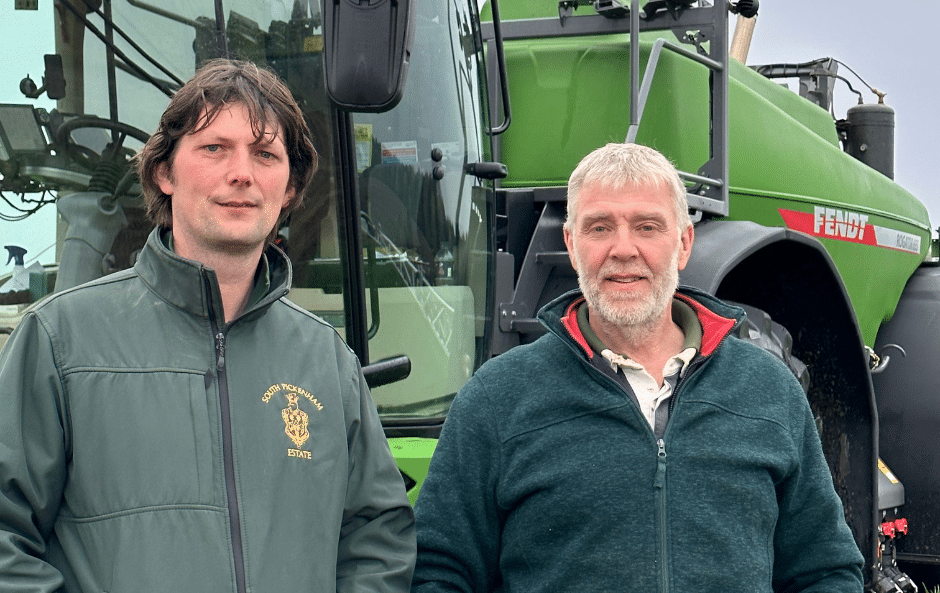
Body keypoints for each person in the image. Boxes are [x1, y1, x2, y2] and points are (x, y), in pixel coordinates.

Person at [0, 60, 415, 592]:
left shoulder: (327, 361)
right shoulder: (59, 342)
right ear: (163, 173)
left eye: (265, 154)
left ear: (289, 189)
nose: (241, 173)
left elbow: (378, 540)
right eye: (214, 148)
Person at [412, 142, 863, 592]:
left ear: (683, 244)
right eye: (599, 228)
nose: (622, 249)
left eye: (646, 227)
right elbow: (439, 573)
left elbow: (824, 570)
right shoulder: (499, 398)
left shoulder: (767, 390)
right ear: (571, 244)